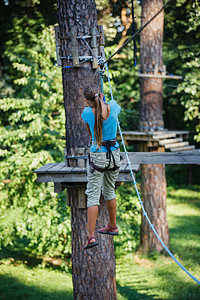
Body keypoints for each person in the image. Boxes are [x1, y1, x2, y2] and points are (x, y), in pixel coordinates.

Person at [81, 84, 121, 250]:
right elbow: (109, 105)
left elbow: (91, 135)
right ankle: (113, 225)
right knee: (109, 190)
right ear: (102, 95)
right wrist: (104, 99)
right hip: (114, 155)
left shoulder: (87, 113)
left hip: (98, 156)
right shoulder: (114, 106)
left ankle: (91, 237)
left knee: (92, 196)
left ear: (86, 100)